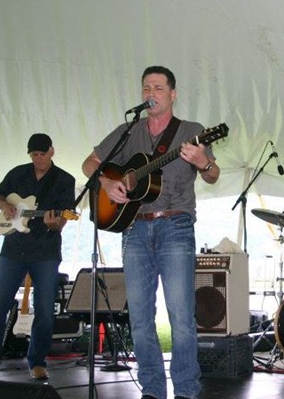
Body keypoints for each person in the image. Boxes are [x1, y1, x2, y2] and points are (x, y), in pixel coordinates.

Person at [82, 66, 220, 399]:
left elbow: (213, 175)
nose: (151, 93)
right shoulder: (128, 132)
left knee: (181, 316)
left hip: (175, 225)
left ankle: (186, 390)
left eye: (158, 88)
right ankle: (153, 390)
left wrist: (203, 162)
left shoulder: (191, 131)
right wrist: (108, 183)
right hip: (134, 228)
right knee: (140, 317)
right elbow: (90, 163)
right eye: (146, 87)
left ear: (172, 94)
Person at [0, 133, 75, 381]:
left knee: (44, 310)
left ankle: (37, 362)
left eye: (43, 154)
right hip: (13, 249)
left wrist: (55, 224)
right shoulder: (17, 173)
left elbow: (64, 218)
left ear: (52, 151)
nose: (38, 158)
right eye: (34, 154)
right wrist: (4, 205)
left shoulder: (65, 180)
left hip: (46, 251)